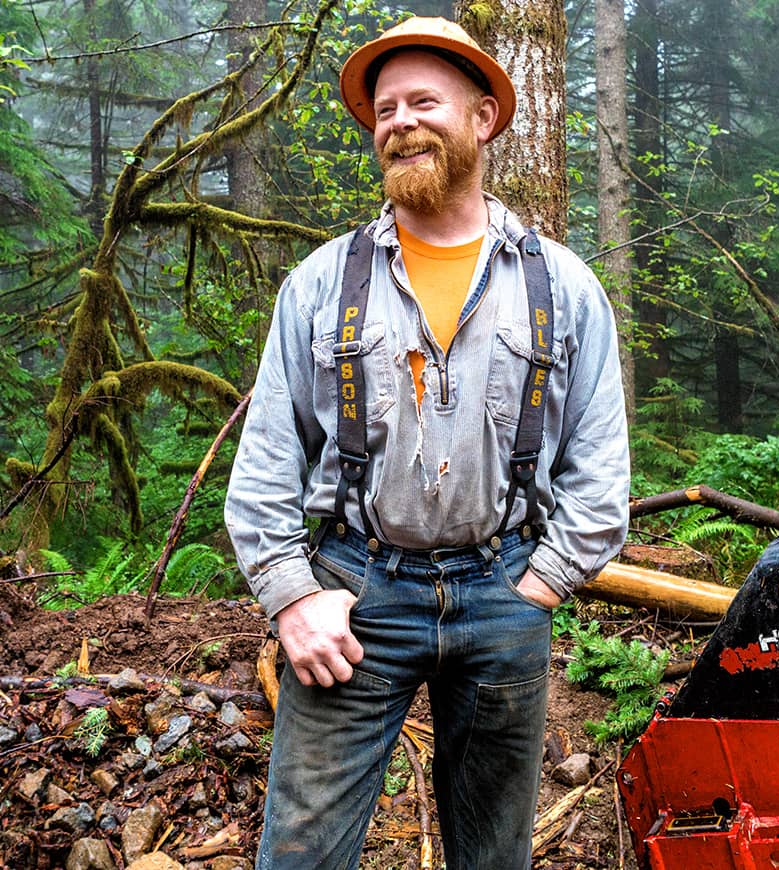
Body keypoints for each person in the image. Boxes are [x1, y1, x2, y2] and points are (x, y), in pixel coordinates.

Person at [223, 15, 630, 870]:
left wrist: (541, 584)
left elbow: (600, 469)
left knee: (493, 857)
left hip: (503, 597)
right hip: (354, 596)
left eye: (422, 102)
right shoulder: (322, 283)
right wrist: (293, 597)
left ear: (482, 118)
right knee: (299, 855)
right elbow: (265, 464)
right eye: (384, 109)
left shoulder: (565, 286)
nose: (398, 122)